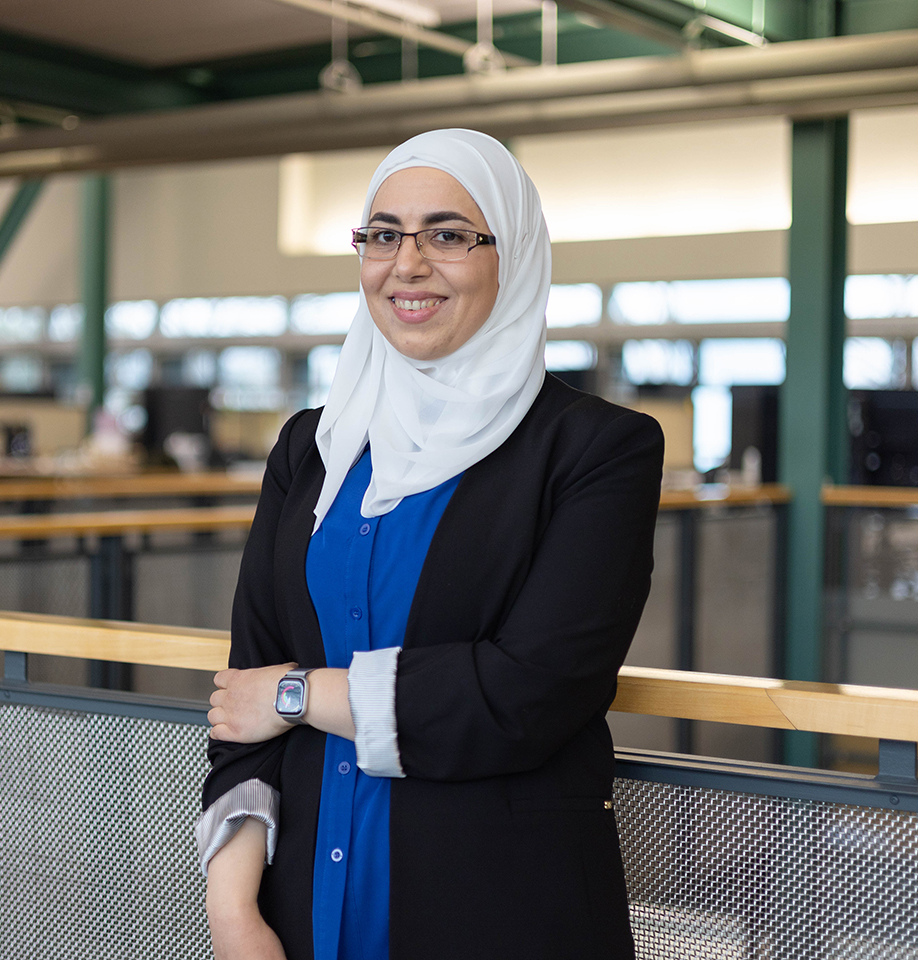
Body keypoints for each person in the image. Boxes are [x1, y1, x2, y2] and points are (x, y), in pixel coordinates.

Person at [196, 128, 663, 960]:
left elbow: (528, 693)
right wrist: (234, 913)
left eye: (448, 234)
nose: (407, 264)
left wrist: (297, 695)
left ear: (510, 256)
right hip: (299, 912)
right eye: (383, 235)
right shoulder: (313, 448)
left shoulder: (594, 451)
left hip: (499, 913)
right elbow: (243, 696)